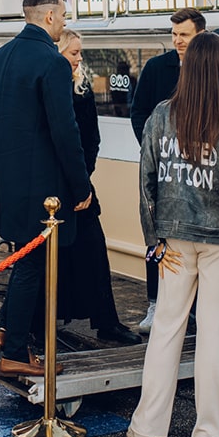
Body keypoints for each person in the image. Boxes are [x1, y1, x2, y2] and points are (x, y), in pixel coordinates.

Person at [128, 32, 219, 437]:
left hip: (173, 236)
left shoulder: (160, 115)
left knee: (167, 328)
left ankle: (146, 427)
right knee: (215, 331)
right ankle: (210, 429)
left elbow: (146, 182)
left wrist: (152, 239)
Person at [0, 0, 92, 378]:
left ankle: (9, 334)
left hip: (0, 178)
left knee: (22, 262)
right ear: (49, 16)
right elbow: (65, 131)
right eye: (64, 15)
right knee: (32, 266)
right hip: (40, 188)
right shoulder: (51, 62)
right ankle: (15, 348)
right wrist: (80, 186)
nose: (65, 22)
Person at [55, 29, 142, 345]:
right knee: (52, 258)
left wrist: (82, 175)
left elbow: (91, 138)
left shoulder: (82, 89)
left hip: (80, 185)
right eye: (74, 53)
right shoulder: (51, 86)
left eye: (80, 53)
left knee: (94, 251)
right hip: (55, 187)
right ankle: (43, 320)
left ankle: (107, 322)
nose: (80, 59)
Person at [129, 8, 206, 332]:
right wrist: (154, 154)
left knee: (200, 236)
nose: (177, 41)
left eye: (184, 35)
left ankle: (197, 309)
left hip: (203, 168)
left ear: (200, 34)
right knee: (157, 231)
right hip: (163, 166)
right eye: (174, 35)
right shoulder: (156, 67)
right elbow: (139, 113)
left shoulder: (211, 68)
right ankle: (155, 303)